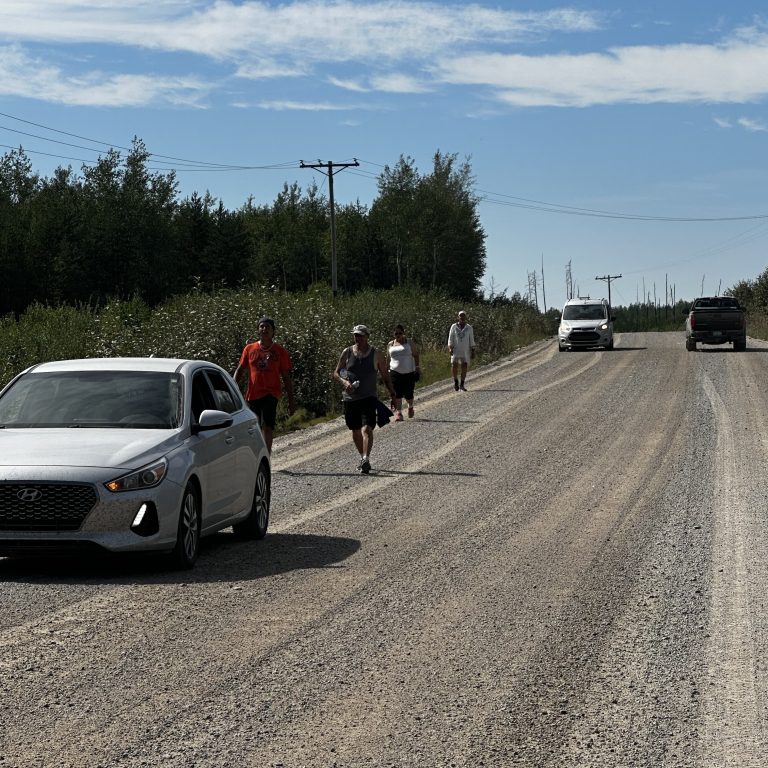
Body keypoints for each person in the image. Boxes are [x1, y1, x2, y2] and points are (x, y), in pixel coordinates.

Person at [333, 324, 396, 474]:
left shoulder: (376, 354)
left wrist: (392, 395)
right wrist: (344, 382)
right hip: (350, 398)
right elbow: (336, 372)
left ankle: (366, 458)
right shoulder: (347, 352)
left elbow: (385, 376)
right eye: (355, 335)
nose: (358, 338)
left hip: (368, 397)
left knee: (367, 428)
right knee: (355, 430)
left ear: (367, 336)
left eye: (361, 335)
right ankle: (363, 457)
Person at [233, 316, 296, 453]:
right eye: (262, 326)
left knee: (267, 425)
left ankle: (266, 455)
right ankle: (257, 455)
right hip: (252, 394)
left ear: (273, 331)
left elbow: (286, 377)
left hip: (271, 393)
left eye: (268, 327)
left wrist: (291, 400)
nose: (264, 329)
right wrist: (232, 389)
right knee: (253, 427)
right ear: (258, 330)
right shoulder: (249, 349)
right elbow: (240, 370)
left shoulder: (280, 351)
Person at [386, 324, 420, 421]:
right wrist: (385, 372)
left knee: (409, 393)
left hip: (409, 371)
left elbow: (416, 355)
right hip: (394, 371)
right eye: (396, 333)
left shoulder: (409, 342)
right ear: (393, 334)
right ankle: (399, 413)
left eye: (400, 333)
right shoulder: (390, 344)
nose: (398, 335)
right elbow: (388, 359)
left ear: (403, 333)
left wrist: (417, 367)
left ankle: (410, 406)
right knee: (397, 393)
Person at [448, 310, 476, 391]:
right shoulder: (454, 326)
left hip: (465, 350)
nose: (462, 317)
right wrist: (450, 347)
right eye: (461, 316)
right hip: (456, 349)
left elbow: (471, 340)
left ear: (465, 317)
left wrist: (473, 350)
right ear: (458, 317)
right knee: (454, 365)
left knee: (464, 366)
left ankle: (462, 384)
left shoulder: (469, 328)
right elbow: (450, 338)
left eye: (463, 316)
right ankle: (456, 382)